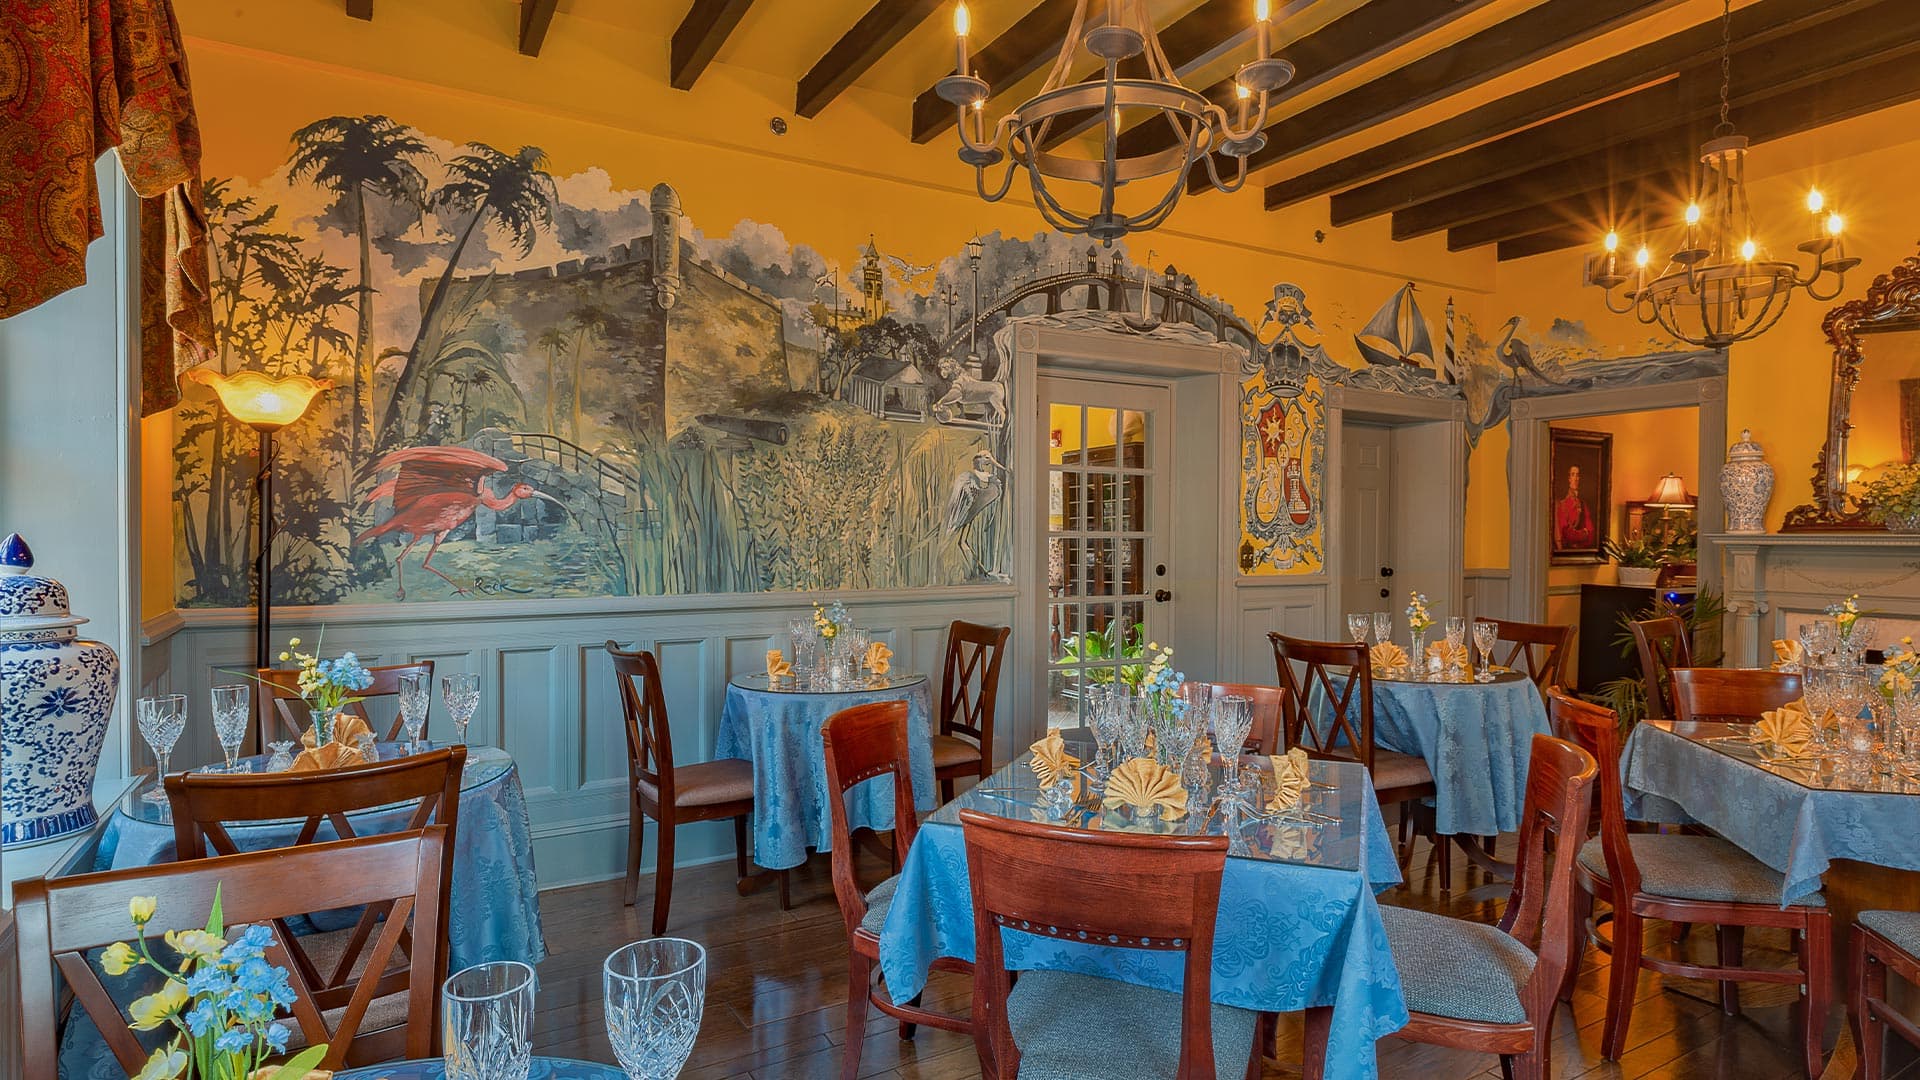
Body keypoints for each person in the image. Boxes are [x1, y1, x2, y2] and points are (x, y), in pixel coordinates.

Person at [1555, 464, 1597, 550]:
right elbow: (1566, 533)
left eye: (1578, 475)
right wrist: (1583, 533)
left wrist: (1578, 539)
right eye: (1573, 474)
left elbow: (1591, 533)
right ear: (1569, 478)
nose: (1576, 478)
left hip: (1582, 552)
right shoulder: (1561, 504)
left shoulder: (1583, 504)